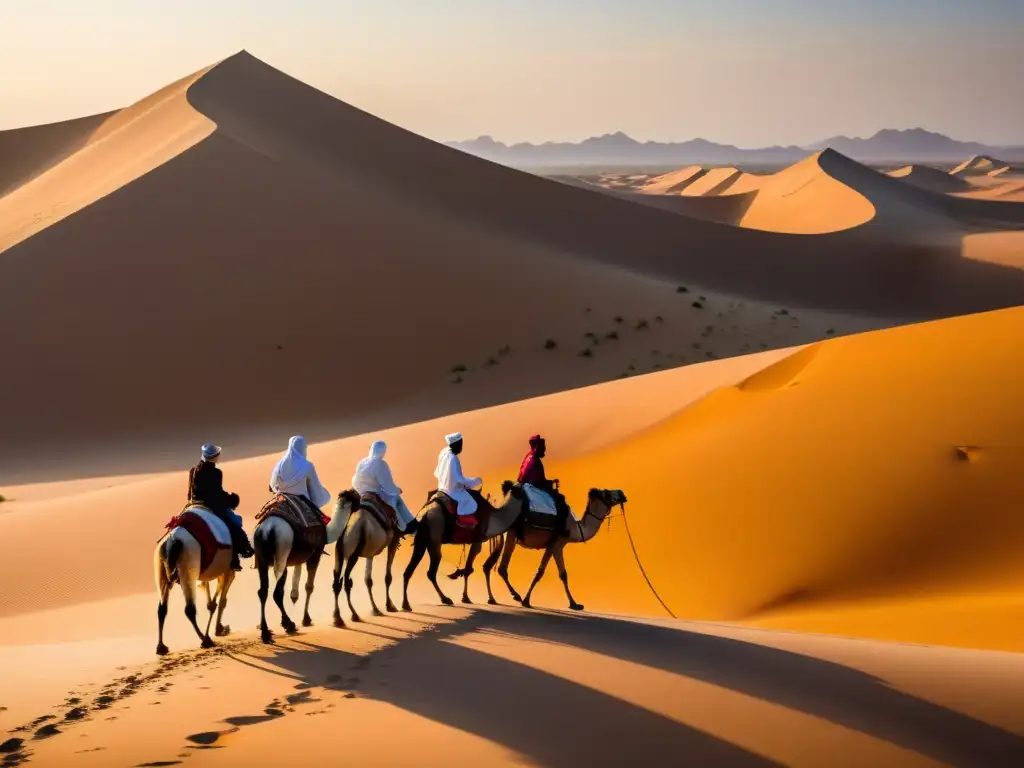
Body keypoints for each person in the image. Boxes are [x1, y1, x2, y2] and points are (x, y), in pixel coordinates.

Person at [187, 443, 254, 571]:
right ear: (214, 457)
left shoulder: (193, 470)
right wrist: (231, 499)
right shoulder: (216, 473)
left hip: (193, 505)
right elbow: (217, 494)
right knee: (233, 525)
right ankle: (236, 558)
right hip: (211, 506)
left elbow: (189, 494)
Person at [352, 440, 418, 535]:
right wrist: (397, 490)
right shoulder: (381, 464)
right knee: (396, 500)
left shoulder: (362, 461)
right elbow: (388, 485)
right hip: (374, 492)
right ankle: (407, 527)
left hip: (359, 490)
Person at [516, 434, 571, 538]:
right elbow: (538, 482)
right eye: (542, 447)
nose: (544, 449)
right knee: (559, 501)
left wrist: (550, 482)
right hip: (532, 489)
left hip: (526, 487)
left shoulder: (529, 457)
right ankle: (558, 533)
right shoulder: (534, 461)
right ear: (537, 446)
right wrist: (550, 485)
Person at [269, 436, 332, 519]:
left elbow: (272, 485)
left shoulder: (279, 465)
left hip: (281, 500)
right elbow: (315, 489)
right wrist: (324, 495)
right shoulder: (307, 466)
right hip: (303, 503)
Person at [434, 432, 482, 517]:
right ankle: (462, 521)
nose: (461, 447)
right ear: (455, 445)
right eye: (460, 444)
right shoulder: (453, 459)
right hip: (452, 491)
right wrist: (475, 481)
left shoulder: (444, 452)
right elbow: (459, 479)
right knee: (470, 502)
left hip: (441, 487)